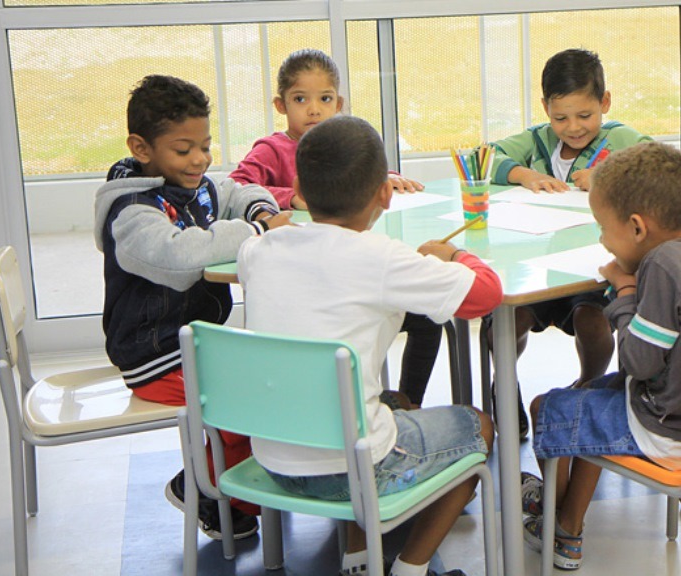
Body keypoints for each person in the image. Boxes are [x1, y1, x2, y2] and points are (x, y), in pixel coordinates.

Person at [238, 115, 503, 576]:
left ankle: (359, 559)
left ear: (298, 188)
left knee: (390, 403)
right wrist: (456, 255)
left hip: (271, 461)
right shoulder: (382, 258)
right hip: (353, 469)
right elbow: (486, 294)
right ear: (385, 193)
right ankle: (410, 568)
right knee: (478, 426)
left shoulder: (258, 251)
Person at [518, 142, 681, 571]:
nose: (602, 239)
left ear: (637, 228)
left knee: (545, 407)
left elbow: (638, 364)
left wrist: (624, 292)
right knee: (588, 399)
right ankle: (565, 516)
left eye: (603, 228)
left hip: (670, 429)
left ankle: (561, 528)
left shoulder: (661, 267)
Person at [93, 74, 294, 540]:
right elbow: (179, 258)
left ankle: (228, 487)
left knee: (270, 377)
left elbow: (235, 191)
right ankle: (207, 490)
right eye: (184, 150)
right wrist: (256, 232)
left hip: (195, 342)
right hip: (155, 355)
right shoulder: (131, 212)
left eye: (205, 146)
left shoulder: (191, 185)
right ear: (141, 149)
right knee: (243, 404)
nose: (200, 160)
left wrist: (260, 211)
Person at [229, 48, 441, 408]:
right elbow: (237, 186)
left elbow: (359, 173)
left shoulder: (345, 144)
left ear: (338, 103)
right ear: (281, 105)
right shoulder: (272, 149)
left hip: (347, 270)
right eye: (300, 99)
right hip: (305, 276)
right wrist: (290, 198)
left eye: (325, 99)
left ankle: (409, 402)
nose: (314, 110)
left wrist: (383, 178)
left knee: (425, 318)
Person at [487, 48, 652, 439]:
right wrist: (525, 174)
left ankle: (587, 388)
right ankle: (505, 386)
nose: (573, 128)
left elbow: (656, 165)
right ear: (546, 108)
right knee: (505, 320)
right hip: (538, 267)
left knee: (591, 321)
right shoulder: (537, 141)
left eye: (585, 115)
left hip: (592, 268)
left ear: (605, 102)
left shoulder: (619, 138)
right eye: (560, 118)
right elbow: (483, 158)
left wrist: (607, 174)